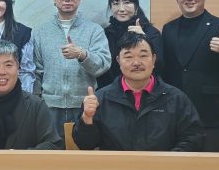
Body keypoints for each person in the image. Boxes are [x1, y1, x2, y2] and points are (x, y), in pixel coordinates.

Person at [72, 32, 203, 152]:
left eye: (143, 56)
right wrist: (87, 119)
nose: (136, 63)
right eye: (128, 57)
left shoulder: (176, 98)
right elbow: (85, 145)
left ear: (154, 59)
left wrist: (166, 162)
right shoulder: (100, 99)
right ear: (118, 61)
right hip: (116, 168)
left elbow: (193, 138)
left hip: (162, 168)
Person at [161, 0, 219, 152]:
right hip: (175, 110)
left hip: (210, 111)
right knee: (176, 164)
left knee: (210, 164)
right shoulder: (168, 29)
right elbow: (163, 69)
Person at [31, 0, 110, 147]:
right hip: (49, 107)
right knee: (51, 154)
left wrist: (82, 54)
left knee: (83, 156)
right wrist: (39, 101)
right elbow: (35, 71)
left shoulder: (94, 30)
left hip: (84, 106)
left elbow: (103, 65)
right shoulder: (40, 32)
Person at [98, 0, 162, 87]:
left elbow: (159, 65)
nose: (121, 9)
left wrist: (144, 39)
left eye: (127, 2)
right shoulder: (106, 33)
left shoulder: (150, 32)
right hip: (111, 91)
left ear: (136, 6)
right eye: (116, 3)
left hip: (143, 89)